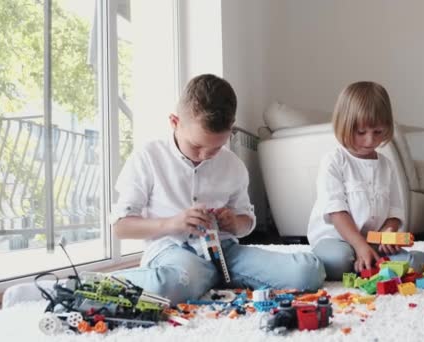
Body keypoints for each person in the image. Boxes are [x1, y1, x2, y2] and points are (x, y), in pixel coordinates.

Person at [111, 74, 325, 303]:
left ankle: (211, 277)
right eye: (196, 146)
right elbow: (121, 227)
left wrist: (234, 223)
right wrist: (173, 223)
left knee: (307, 272)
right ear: (175, 122)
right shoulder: (148, 157)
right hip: (173, 250)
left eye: (215, 148)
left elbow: (247, 222)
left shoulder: (233, 165)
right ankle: (109, 282)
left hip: (225, 251)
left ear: (230, 130)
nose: (204, 156)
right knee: (170, 285)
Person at [307, 81, 424, 280]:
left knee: (408, 264)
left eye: (377, 132)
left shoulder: (386, 166)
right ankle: (362, 260)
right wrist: (359, 246)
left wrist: (389, 230)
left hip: (372, 240)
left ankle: (420, 258)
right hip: (335, 239)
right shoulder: (334, 161)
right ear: (345, 126)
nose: (370, 141)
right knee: (340, 262)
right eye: (361, 133)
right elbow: (337, 212)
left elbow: (395, 211)